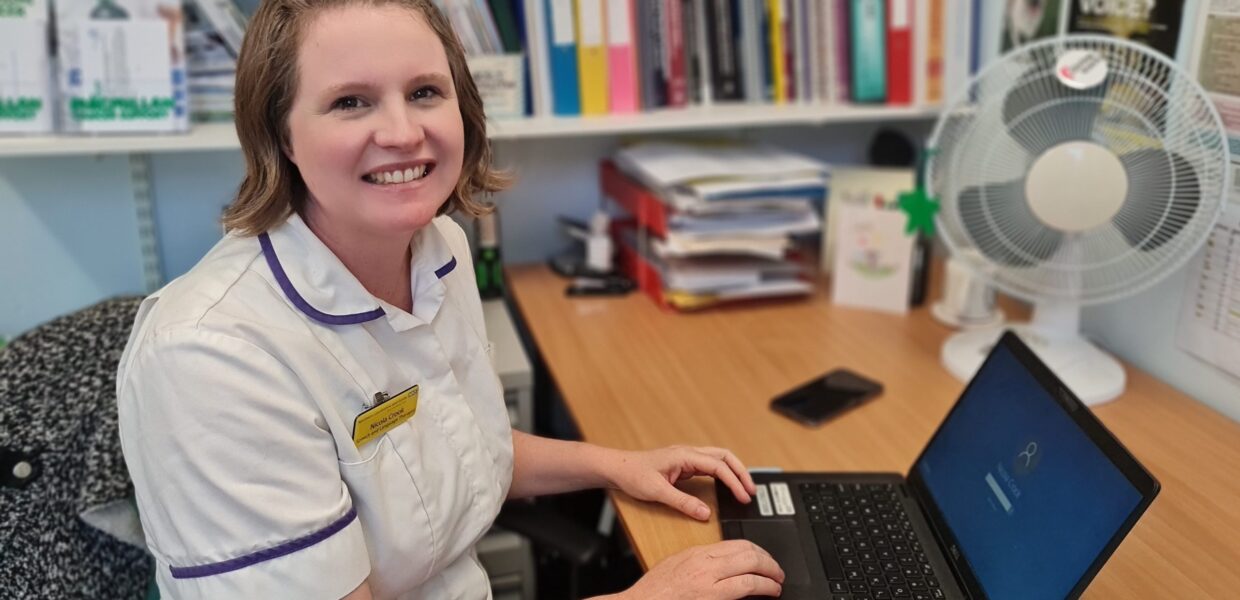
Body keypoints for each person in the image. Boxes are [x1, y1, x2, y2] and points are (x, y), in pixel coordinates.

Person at [115, 1, 786, 598]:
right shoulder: (211, 356)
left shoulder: (438, 250)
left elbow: (454, 440)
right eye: (350, 102)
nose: (403, 132)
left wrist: (618, 466)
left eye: (425, 92)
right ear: (282, 135)